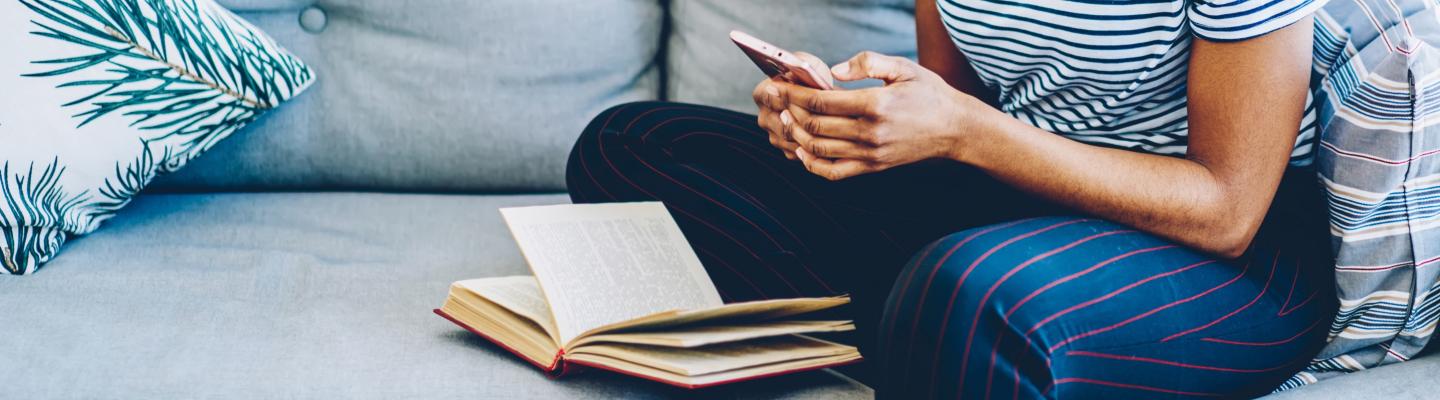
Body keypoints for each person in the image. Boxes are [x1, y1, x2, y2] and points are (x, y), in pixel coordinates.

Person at [564, 0, 1379, 398]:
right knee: (631, 147)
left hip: (1227, 253)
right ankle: (927, 340)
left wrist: (962, 132)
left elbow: (1228, 208)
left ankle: (936, 332)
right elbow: (951, 115)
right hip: (1018, 213)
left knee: (968, 297)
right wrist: (838, 118)